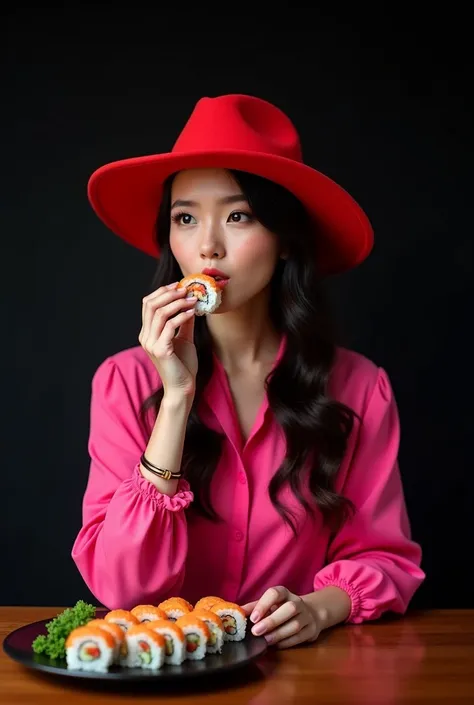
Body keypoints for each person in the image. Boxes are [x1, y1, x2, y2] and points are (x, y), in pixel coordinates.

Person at [71, 94, 425, 650]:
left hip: (303, 675)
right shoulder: (123, 382)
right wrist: (177, 397)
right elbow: (123, 589)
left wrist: (317, 609)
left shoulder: (359, 386)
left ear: (284, 240)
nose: (208, 246)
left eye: (239, 216)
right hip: (165, 674)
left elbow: (385, 556)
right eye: (185, 218)